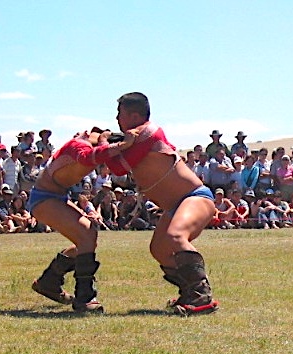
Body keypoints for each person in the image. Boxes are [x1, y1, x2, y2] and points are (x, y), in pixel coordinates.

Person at [104, 92, 219, 316]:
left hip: (195, 197)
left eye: (121, 114)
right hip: (175, 204)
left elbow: (117, 167)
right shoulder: (136, 138)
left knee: (176, 237)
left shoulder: (149, 132)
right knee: (159, 250)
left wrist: (101, 142)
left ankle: (201, 295)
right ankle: (188, 291)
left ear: (135, 115)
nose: (117, 118)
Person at [30, 127, 136, 313]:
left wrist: (88, 209)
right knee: (86, 236)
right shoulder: (79, 146)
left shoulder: (86, 148)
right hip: (44, 198)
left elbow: (82, 193)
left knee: (87, 239)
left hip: (56, 197)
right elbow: (88, 157)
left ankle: (49, 281)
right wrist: (121, 145)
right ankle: (84, 297)